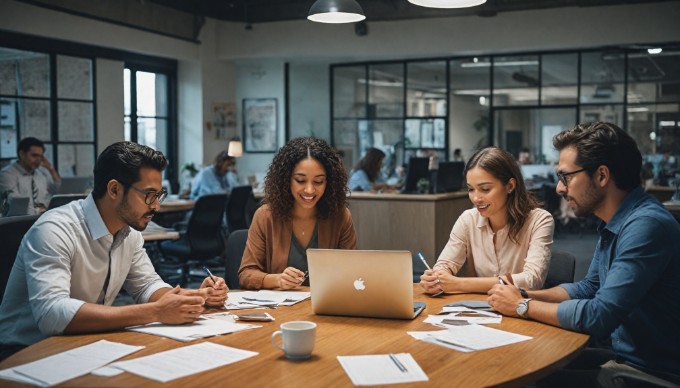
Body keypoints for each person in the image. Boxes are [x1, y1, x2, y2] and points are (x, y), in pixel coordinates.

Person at [488, 122, 680, 387]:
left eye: (566, 176)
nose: (559, 188)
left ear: (602, 176)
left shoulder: (646, 225)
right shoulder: (614, 221)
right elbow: (590, 287)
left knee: (532, 381)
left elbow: (599, 316)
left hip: (651, 373)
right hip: (625, 356)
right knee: (526, 359)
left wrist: (522, 307)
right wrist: (524, 295)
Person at [0, 142, 228, 360]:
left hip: (80, 344)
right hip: (23, 352)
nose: (156, 206)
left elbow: (147, 285)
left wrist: (192, 298)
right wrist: (156, 312)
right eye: (149, 195)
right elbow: (52, 315)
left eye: (159, 195)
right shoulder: (54, 229)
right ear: (114, 189)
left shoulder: (129, 232)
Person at [420, 146, 554, 294]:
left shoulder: (540, 220)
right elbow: (445, 265)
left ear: (510, 186)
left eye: (485, 189)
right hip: (478, 311)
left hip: (520, 310)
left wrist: (459, 284)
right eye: (471, 189)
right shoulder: (468, 219)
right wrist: (435, 278)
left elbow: (531, 280)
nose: (476, 198)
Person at [239, 137, 357, 290]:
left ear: (329, 183)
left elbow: (352, 271)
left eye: (318, 182)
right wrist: (277, 279)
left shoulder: (340, 216)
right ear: (286, 180)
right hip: (281, 312)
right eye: (300, 181)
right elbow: (246, 274)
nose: (309, 190)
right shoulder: (265, 216)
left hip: (325, 307)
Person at [0, 137, 61, 214]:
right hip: (19, 221)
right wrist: (39, 211)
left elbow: (58, 192)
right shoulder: (6, 174)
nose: (38, 160)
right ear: (22, 154)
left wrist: (51, 169)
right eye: (34, 155)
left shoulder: (41, 174)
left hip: (44, 216)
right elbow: (16, 204)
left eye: (41, 156)